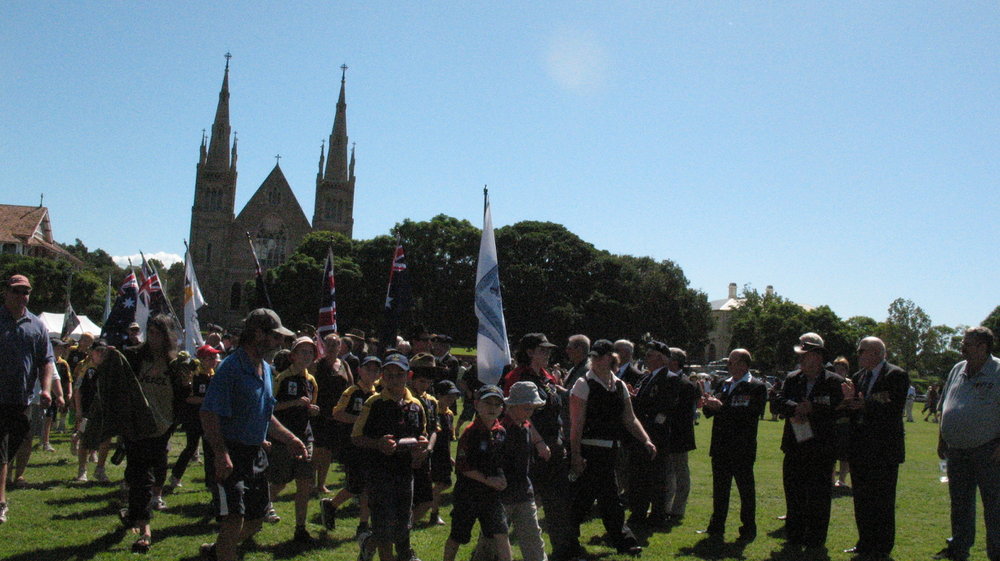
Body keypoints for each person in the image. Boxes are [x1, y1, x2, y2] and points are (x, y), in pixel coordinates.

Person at [198, 308, 307, 561]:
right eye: (276, 336)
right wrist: (221, 453)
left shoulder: (267, 370)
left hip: (255, 455)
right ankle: (224, 551)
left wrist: (290, 438)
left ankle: (217, 551)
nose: (281, 342)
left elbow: (266, 414)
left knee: (256, 521)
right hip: (230, 453)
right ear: (258, 333)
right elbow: (208, 414)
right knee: (233, 519)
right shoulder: (230, 368)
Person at [98, 314, 189, 553]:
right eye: (151, 331)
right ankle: (144, 527)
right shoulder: (135, 356)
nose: (153, 337)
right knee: (140, 474)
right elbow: (116, 382)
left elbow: (182, 396)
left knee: (154, 471)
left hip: (162, 426)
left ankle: (133, 514)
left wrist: (173, 421)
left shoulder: (176, 363)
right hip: (137, 425)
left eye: (158, 332)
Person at [569, 339, 654, 557]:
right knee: (591, 498)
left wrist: (645, 439)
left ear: (611, 358)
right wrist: (576, 455)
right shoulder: (583, 384)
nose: (595, 360)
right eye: (593, 357)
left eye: (600, 356)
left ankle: (619, 541)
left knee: (604, 497)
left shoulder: (619, 385)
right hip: (589, 450)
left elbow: (630, 418)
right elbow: (576, 424)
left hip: (610, 450)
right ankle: (621, 541)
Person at [501, 333, 581, 561]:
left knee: (559, 502)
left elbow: (557, 408)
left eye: (548, 350)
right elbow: (518, 414)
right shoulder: (516, 377)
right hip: (527, 448)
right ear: (529, 352)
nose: (547, 354)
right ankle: (489, 551)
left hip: (552, 447)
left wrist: (560, 440)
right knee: (515, 502)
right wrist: (538, 442)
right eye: (542, 350)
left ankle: (565, 551)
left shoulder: (547, 377)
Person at [352, 352, 428, 561]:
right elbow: (356, 437)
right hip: (379, 473)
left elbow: (422, 434)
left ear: (408, 375)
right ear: (382, 377)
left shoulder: (416, 405)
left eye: (399, 374)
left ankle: (373, 545)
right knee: (384, 525)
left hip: (405, 473)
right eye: (389, 375)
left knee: (403, 523)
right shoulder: (374, 403)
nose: (394, 379)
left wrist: (421, 447)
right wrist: (378, 443)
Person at [933, 326, 1000, 561]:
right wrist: (942, 438)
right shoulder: (957, 369)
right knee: (960, 505)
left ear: (983, 347)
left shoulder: (998, 370)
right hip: (956, 451)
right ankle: (959, 550)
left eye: (967, 343)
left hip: (989, 451)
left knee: (994, 507)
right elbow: (944, 405)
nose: (962, 347)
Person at [773, 332, 844, 551]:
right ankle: (794, 537)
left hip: (821, 451)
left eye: (805, 355)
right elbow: (778, 403)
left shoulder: (835, 382)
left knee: (819, 498)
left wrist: (813, 410)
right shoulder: (793, 379)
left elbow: (839, 411)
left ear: (817, 356)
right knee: (793, 495)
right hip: (794, 448)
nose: (801, 359)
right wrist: (796, 408)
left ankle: (815, 540)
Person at [841, 336, 909, 560]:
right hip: (860, 448)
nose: (858, 354)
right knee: (861, 499)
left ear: (877, 353)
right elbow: (856, 408)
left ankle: (881, 547)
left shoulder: (895, 375)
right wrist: (849, 402)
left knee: (882, 500)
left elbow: (892, 406)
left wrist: (865, 404)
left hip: (883, 450)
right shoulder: (859, 377)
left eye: (861, 351)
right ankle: (864, 542)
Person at [471, 381, 550, 561]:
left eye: (532, 409)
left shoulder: (525, 426)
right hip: (501, 497)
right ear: (512, 406)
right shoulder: (500, 431)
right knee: (489, 543)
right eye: (526, 408)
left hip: (523, 493)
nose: (530, 413)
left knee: (533, 541)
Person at [0, 275, 54, 524]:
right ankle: (1, 502)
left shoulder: (36, 325)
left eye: (26, 292)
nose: (22, 296)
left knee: (14, 446)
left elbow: (46, 360)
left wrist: (46, 390)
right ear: (5, 292)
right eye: (17, 291)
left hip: (22, 398)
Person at [698, 348, 767, 542]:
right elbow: (713, 413)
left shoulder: (756, 387)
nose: (728, 366)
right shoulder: (724, 384)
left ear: (744, 364)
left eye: (731, 362)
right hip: (720, 445)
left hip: (742, 447)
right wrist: (709, 405)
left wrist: (722, 408)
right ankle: (716, 526)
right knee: (720, 489)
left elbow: (751, 415)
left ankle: (748, 529)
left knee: (745, 490)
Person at [443, 385, 513, 561]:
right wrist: (488, 480)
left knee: (501, 533)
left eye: (497, 404)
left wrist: (502, 477)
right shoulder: (470, 432)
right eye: (487, 403)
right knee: (458, 535)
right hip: (468, 494)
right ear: (476, 405)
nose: (492, 408)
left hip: (491, 495)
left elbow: (501, 461)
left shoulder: (501, 432)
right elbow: (463, 466)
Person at [321, 355, 381, 536]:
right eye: (368, 369)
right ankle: (331, 505)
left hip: (369, 446)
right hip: (352, 445)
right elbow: (337, 413)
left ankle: (364, 523)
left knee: (367, 486)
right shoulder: (352, 392)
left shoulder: (378, 393)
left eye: (375, 370)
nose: (371, 373)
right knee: (356, 485)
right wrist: (360, 421)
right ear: (360, 371)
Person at [269, 336, 320, 543]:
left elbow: (310, 407)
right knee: (280, 481)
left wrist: (313, 410)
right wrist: (293, 403)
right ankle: (261, 506)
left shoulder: (311, 381)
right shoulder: (282, 378)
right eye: (303, 352)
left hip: (305, 436)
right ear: (293, 356)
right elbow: (270, 407)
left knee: (305, 483)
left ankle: (300, 527)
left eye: (310, 352)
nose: (307, 356)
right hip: (284, 437)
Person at [170, 344, 219, 488]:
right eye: (210, 358)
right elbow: (188, 398)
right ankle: (175, 476)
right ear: (201, 359)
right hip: (194, 417)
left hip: (209, 418)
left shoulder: (213, 375)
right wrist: (207, 400)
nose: (214, 360)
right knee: (191, 447)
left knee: (209, 450)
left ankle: (210, 482)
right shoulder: (194, 375)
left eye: (215, 357)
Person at [311, 332, 353, 495]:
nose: (332, 347)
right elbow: (310, 383)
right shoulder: (317, 364)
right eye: (329, 343)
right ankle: (311, 482)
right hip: (320, 412)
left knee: (328, 450)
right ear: (324, 346)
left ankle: (321, 483)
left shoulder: (344, 364)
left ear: (340, 346)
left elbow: (350, 386)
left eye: (336, 344)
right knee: (318, 449)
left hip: (336, 414)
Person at [408, 353, 440, 524]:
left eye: (428, 381)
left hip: (424, 454)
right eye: (421, 380)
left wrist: (428, 449)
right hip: (406, 454)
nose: (425, 384)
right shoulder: (406, 398)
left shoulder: (432, 401)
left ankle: (405, 529)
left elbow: (434, 429)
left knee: (426, 500)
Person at [73, 340, 112, 483]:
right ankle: (82, 470)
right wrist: (78, 410)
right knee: (84, 438)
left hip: (105, 410)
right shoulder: (86, 368)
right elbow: (77, 390)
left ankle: (100, 469)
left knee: (105, 439)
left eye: (103, 351)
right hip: (87, 410)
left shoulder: (109, 369)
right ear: (91, 352)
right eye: (98, 351)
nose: (101, 354)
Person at [429, 379, 461, 526]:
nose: (451, 399)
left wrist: (449, 457)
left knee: (445, 483)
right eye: (448, 396)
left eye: (454, 396)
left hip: (443, 454)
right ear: (439, 395)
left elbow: (448, 438)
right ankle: (433, 514)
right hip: (432, 453)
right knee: (440, 483)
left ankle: (432, 509)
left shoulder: (449, 415)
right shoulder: (432, 410)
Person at [831, 356, 852, 488]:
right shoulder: (830, 383)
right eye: (837, 369)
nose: (839, 372)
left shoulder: (850, 384)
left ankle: (842, 480)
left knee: (845, 455)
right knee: (831, 453)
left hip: (846, 423)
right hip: (832, 423)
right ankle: (832, 479)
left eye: (842, 369)